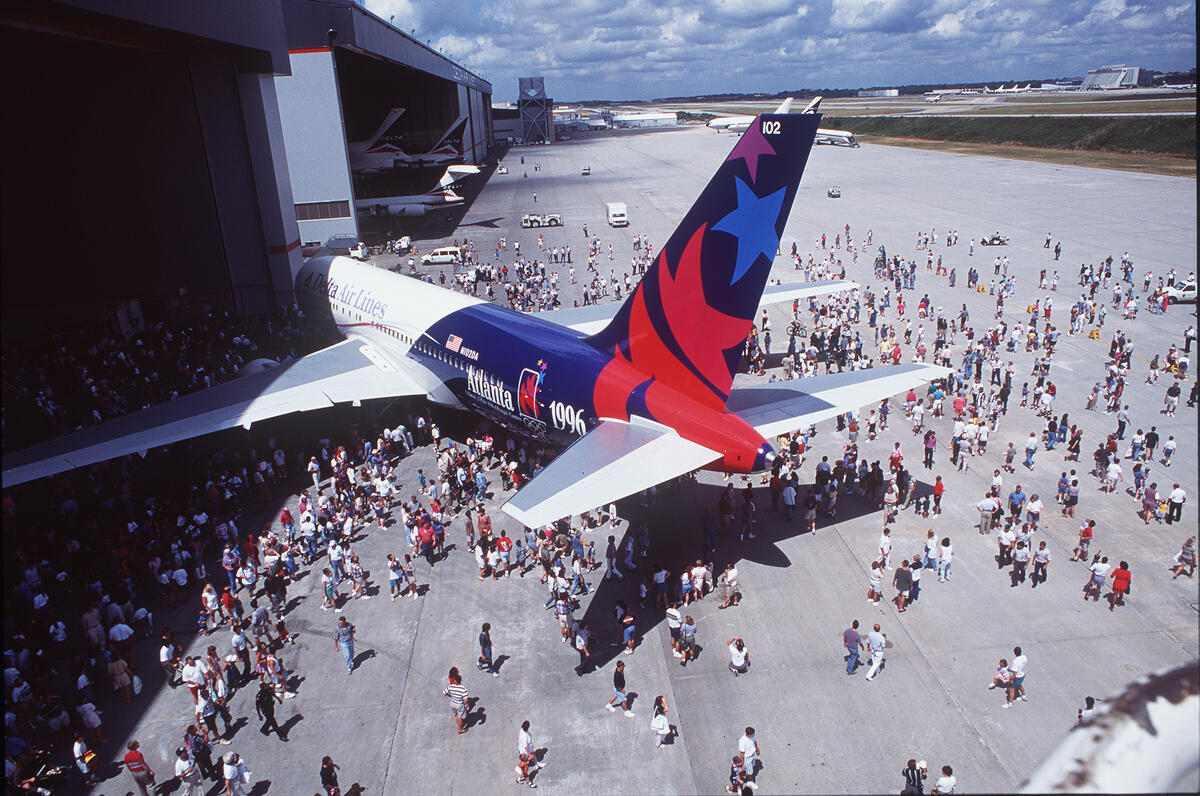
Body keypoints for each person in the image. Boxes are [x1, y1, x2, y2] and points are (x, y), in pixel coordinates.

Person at [443, 667, 471, 733]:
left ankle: (458, 720)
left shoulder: (450, 686)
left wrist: (450, 696)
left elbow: (444, 693)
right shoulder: (463, 689)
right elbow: (465, 700)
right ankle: (460, 729)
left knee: (456, 715)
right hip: (459, 704)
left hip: (452, 703)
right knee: (461, 717)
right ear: (460, 681)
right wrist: (467, 705)